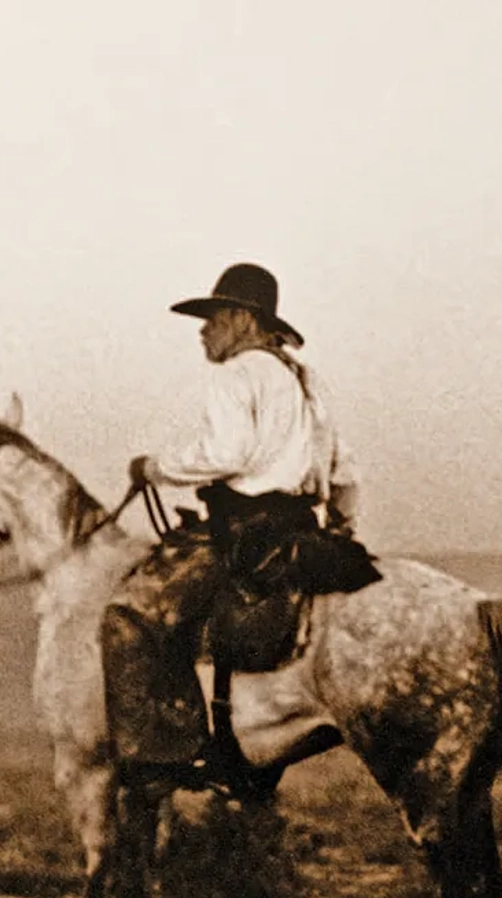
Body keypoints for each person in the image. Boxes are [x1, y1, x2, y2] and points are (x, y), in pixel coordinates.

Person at [101, 262, 367, 790]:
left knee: (127, 615)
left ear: (244, 321)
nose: (203, 331)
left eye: (214, 319)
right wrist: (341, 526)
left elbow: (227, 452)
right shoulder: (308, 381)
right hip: (302, 530)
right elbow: (346, 472)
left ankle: (160, 755)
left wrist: (153, 467)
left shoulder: (236, 373)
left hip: (247, 529)